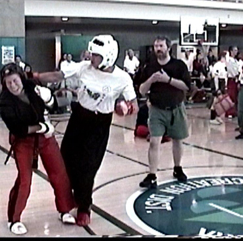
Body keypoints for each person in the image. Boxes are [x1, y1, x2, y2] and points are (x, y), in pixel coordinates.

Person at [35, 34, 139, 227]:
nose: (91, 58)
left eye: (96, 56)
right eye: (91, 54)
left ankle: (84, 207)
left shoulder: (122, 78)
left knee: (88, 168)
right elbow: (59, 75)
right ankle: (70, 199)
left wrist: (124, 108)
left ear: (108, 56)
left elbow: (134, 105)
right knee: (65, 161)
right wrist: (36, 77)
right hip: (79, 118)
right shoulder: (84, 67)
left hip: (99, 125)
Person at [0, 63, 76, 235]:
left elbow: (54, 106)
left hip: (45, 138)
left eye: (15, 80)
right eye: (8, 82)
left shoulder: (32, 86)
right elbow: (17, 128)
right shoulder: (4, 101)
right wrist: (41, 127)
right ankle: (14, 219)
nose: (13, 85)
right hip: (23, 140)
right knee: (25, 179)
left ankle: (64, 209)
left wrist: (49, 99)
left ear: (21, 78)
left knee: (59, 172)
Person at [138, 35, 191, 189]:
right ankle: (152, 174)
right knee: (154, 142)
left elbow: (186, 86)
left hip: (176, 108)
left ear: (168, 48)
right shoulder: (149, 66)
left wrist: (168, 80)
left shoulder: (179, 65)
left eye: (161, 46)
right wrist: (151, 80)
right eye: (156, 46)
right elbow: (141, 90)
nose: (158, 49)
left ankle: (177, 167)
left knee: (177, 140)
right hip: (156, 110)